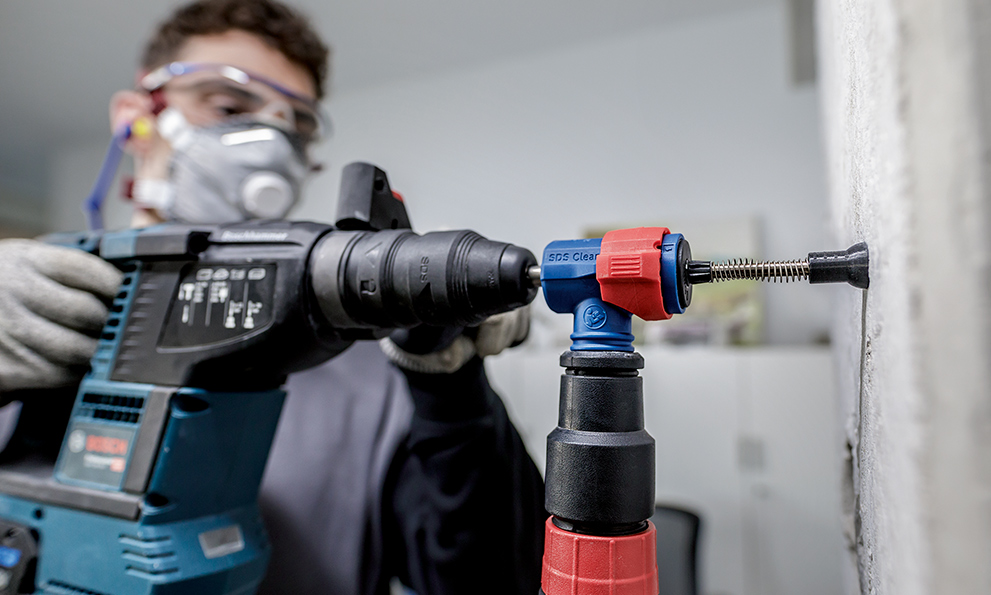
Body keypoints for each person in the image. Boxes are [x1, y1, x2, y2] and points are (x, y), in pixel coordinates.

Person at [0, 1, 546, 593]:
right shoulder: (29, 312)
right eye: (229, 106)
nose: (270, 145)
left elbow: (498, 576)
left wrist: (450, 385)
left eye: (297, 128)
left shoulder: (370, 366)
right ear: (136, 119)